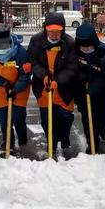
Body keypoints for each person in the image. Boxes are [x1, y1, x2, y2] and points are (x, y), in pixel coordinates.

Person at [27, 12, 78, 155]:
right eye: (51, 31)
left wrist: (58, 81)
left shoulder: (69, 43)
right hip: (43, 87)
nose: (55, 35)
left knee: (65, 117)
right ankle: (52, 143)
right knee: (46, 119)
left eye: (58, 32)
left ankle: (64, 136)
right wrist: (43, 76)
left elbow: (71, 67)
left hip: (64, 87)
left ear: (63, 30)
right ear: (45, 29)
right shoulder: (36, 41)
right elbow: (33, 61)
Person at [0, 25, 31, 153]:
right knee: (4, 118)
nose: (2, 48)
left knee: (18, 117)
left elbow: (24, 75)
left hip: (20, 89)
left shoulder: (20, 52)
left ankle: (22, 138)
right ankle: (8, 141)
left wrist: (16, 89)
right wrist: (4, 83)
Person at [74, 22, 105, 153]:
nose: (86, 48)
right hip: (82, 90)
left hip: (101, 92)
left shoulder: (103, 51)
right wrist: (80, 76)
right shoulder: (74, 51)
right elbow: (70, 68)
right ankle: (92, 142)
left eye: (88, 46)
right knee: (88, 117)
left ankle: (101, 128)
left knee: (103, 115)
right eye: (83, 46)